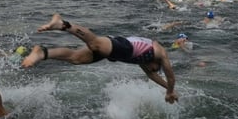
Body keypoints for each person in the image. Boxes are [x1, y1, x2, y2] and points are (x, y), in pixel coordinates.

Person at [21, 13, 178, 104]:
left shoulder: (145, 62)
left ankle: (42, 53)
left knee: (76, 58)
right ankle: (62, 24)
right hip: (123, 46)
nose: (153, 70)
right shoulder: (159, 53)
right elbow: (171, 77)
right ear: (157, 63)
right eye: (156, 69)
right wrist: (170, 90)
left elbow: (152, 76)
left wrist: (168, 90)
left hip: (117, 52)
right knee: (95, 44)